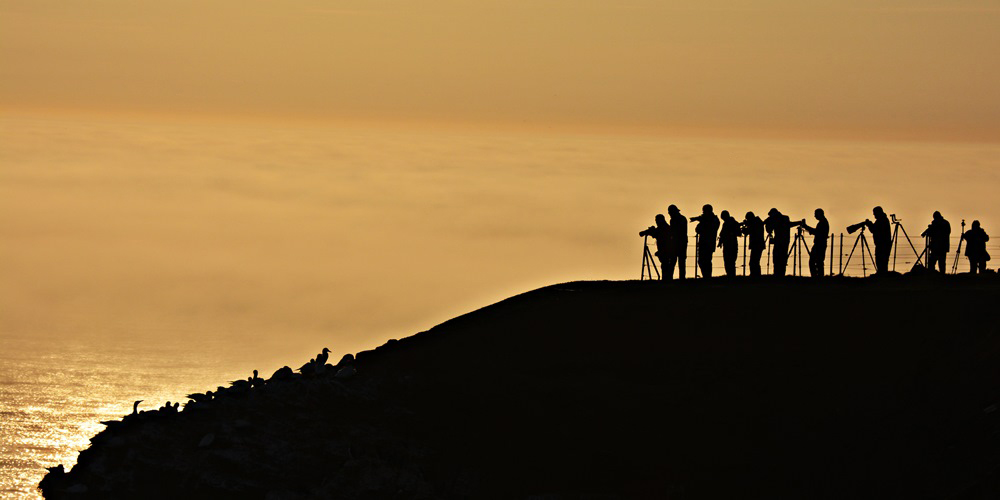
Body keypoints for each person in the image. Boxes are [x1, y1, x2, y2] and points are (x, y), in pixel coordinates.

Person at [764, 208, 802, 277]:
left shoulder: (778, 220)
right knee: (781, 259)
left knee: (778, 259)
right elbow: (789, 225)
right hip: (784, 242)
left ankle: (778, 274)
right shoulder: (785, 218)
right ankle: (780, 274)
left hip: (780, 242)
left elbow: (769, 229)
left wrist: (768, 223)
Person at [691, 204, 720, 278]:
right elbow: (698, 229)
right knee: (702, 261)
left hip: (708, 243)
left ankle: (707, 277)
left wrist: (702, 221)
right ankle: (706, 277)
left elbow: (705, 229)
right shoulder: (711, 219)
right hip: (704, 243)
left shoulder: (713, 220)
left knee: (706, 261)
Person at [640, 214, 671, 279]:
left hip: (665, 250)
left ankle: (665, 280)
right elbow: (655, 233)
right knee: (665, 265)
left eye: (657, 220)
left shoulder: (663, 228)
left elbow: (656, 233)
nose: (656, 222)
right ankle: (666, 279)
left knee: (665, 265)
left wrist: (648, 231)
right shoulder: (665, 227)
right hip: (665, 250)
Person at [801, 208, 830, 277]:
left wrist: (806, 226)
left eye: (815, 214)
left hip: (819, 244)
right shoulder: (823, 222)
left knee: (815, 261)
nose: (815, 216)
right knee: (818, 261)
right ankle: (818, 276)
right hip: (820, 244)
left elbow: (817, 232)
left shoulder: (823, 223)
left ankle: (816, 276)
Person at [863, 206, 892, 274]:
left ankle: (882, 274)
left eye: (875, 213)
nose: (874, 215)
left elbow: (874, 230)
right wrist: (870, 225)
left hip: (882, 244)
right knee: (882, 260)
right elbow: (875, 229)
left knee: (881, 260)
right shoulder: (882, 219)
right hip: (883, 244)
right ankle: (882, 273)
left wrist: (869, 224)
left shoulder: (882, 220)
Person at [666, 205, 688, 279]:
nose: (669, 214)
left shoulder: (674, 220)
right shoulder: (682, 218)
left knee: (673, 261)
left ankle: (670, 278)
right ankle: (681, 278)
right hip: (682, 242)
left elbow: (673, 232)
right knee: (681, 261)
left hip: (676, 243)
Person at [742, 211, 766, 277]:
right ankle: (755, 275)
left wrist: (746, 228)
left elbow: (751, 230)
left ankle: (755, 275)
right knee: (755, 261)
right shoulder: (757, 222)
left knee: (754, 262)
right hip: (757, 244)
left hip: (757, 244)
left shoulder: (756, 223)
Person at [717, 210, 741, 277]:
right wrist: (720, 242)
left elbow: (738, 233)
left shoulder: (731, 223)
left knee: (730, 261)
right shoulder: (729, 223)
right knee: (729, 261)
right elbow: (722, 234)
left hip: (731, 245)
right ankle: (730, 275)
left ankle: (731, 276)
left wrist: (731, 234)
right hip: (729, 244)